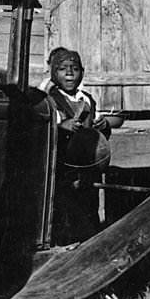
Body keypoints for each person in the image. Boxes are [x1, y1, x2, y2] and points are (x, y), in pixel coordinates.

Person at [40, 48, 112, 243]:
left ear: (83, 72)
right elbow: (41, 131)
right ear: (53, 73)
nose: (70, 73)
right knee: (63, 212)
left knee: (88, 211)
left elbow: (100, 133)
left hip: (88, 169)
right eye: (63, 69)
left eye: (75, 69)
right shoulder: (49, 100)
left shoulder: (87, 99)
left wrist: (103, 125)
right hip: (63, 170)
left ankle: (88, 246)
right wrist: (60, 127)